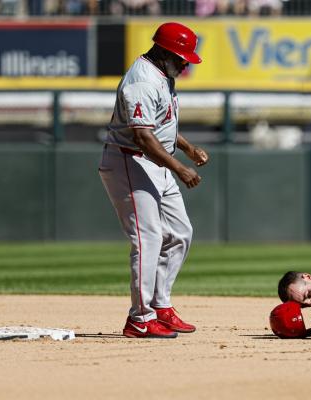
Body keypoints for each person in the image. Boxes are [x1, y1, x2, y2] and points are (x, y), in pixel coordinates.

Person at [99, 22, 208, 339]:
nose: (185, 63)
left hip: (155, 162)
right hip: (130, 160)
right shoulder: (143, 81)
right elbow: (143, 137)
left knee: (179, 233)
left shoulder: (162, 75)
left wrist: (187, 148)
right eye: (181, 57)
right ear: (162, 51)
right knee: (148, 239)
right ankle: (140, 318)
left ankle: (160, 306)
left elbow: (162, 124)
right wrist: (180, 168)